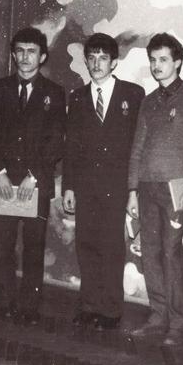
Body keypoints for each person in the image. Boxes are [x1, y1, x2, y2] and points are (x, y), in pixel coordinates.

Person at [126, 32, 183, 345]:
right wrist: (132, 191)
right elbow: (137, 148)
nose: (156, 65)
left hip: (176, 189)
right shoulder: (149, 101)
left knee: (170, 252)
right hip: (147, 187)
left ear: (177, 61)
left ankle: (177, 322)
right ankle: (157, 316)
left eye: (163, 59)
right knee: (150, 252)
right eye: (153, 60)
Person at [0, 27, 65, 323]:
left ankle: (29, 307)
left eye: (32, 51)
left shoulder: (54, 93)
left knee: (34, 247)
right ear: (13, 55)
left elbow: (56, 140)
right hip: (3, 183)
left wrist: (34, 176)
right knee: (2, 247)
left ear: (42, 56)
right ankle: (1, 302)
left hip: (34, 184)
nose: (25, 57)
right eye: (20, 51)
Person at [63, 33, 144, 330]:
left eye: (103, 58)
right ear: (86, 62)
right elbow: (71, 147)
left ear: (114, 62)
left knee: (111, 247)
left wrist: (134, 188)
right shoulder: (77, 97)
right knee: (86, 245)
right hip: (86, 187)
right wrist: (69, 186)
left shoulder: (132, 95)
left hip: (117, 186)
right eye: (92, 58)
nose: (97, 64)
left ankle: (110, 309)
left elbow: (139, 145)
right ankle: (89, 305)